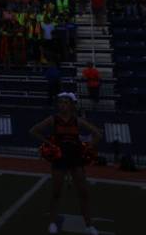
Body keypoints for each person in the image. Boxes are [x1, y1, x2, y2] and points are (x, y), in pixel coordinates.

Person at [30, 93, 102, 235]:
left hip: (75, 158)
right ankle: (51, 223)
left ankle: (88, 226)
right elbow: (33, 131)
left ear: (71, 105)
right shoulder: (53, 119)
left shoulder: (77, 120)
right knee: (56, 192)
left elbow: (98, 134)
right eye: (60, 102)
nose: (62, 105)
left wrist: (87, 147)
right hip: (60, 157)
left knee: (83, 192)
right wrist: (49, 143)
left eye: (65, 102)